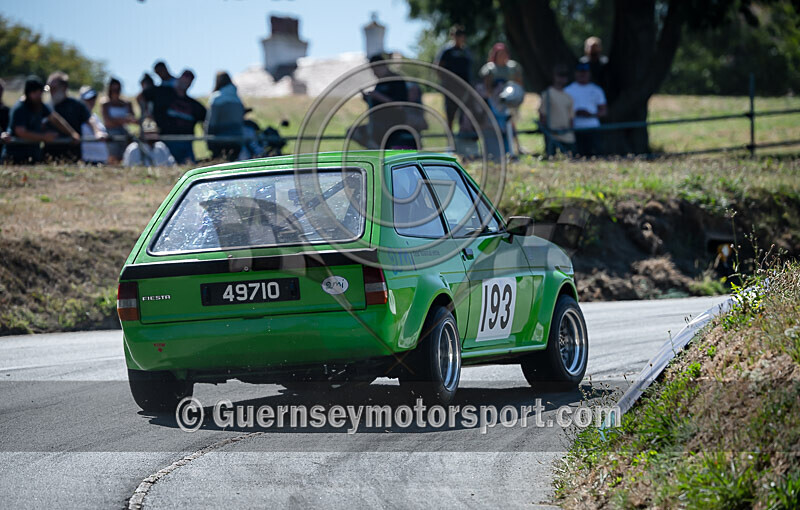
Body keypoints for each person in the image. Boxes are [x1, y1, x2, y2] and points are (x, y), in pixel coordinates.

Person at [2, 76, 78, 164]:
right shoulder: (20, 108)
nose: (39, 95)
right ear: (29, 93)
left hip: (33, 155)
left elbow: (55, 119)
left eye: (40, 92)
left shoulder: (39, 105)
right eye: (36, 93)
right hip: (15, 156)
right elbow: (21, 132)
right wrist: (44, 137)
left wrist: (72, 133)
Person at [140, 69, 206, 163]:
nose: (185, 81)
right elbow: (142, 97)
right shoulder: (162, 92)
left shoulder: (194, 105)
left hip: (186, 144)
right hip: (166, 141)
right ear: (179, 78)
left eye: (189, 80)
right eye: (184, 78)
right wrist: (146, 115)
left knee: (188, 168)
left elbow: (207, 119)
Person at [353, 53, 413, 150]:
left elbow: (400, 106)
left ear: (381, 66)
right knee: (353, 132)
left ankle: (378, 151)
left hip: (393, 124)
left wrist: (379, 96)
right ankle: (377, 150)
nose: (374, 73)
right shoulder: (380, 83)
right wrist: (367, 98)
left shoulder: (396, 79)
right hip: (377, 125)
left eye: (374, 69)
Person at [44, 71, 107, 162]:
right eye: (49, 88)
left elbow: (90, 119)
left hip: (72, 156)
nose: (51, 92)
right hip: (50, 155)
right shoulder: (47, 106)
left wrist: (97, 132)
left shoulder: (76, 105)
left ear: (64, 87)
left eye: (54, 88)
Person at [479, 43, 524, 154]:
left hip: (510, 100)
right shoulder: (490, 68)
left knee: (511, 124)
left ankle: (516, 147)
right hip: (495, 102)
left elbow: (518, 84)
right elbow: (487, 86)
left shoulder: (512, 67)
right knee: (496, 126)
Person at [434, 24, 473, 131]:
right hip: (451, 88)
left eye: (462, 35)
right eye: (457, 35)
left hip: (464, 87)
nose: (460, 38)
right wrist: (446, 82)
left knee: (464, 114)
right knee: (450, 114)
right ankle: (450, 141)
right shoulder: (447, 51)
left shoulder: (466, 51)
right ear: (453, 36)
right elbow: (438, 68)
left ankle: (462, 137)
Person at [564, 62, 607, 157]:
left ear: (589, 73)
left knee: (595, 154)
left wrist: (590, 114)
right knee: (577, 155)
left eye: (585, 72)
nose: (582, 74)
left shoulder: (596, 90)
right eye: (580, 72)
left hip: (593, 128)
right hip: (575, 128)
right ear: (575, 73)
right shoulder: (568, 90)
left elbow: (603, 111)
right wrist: (575, 113)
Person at [205, 71, 245, 161]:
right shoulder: (238, 100)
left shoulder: (216, 99)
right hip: (237, 141)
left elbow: (211, 122)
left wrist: (209, 141)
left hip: (219, 140)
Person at [538, 64, 575, 156]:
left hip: (567, 136)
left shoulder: (568, 97)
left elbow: (571, 118)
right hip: (552, 135)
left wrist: (567, 129)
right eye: (560, 75)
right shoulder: (547, 94)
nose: (562, 78)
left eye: (564, 75)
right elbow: (542, 116)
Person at [101, 78, 137, 163]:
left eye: (117, 89)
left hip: (124, 131)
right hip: (111, 132)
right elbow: (107, 121)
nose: (116, 92)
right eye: (113, 89)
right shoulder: (105, 103)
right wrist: (123, 120)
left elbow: (133, 118)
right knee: (113, 156)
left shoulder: (126, 103)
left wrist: (121, 121)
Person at [79, 86, 109, 164]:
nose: (91, 101)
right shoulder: (78, 117)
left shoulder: (96, 117)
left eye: (93, 98)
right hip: (87, 160)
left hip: (102, 159)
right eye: (88, 99)